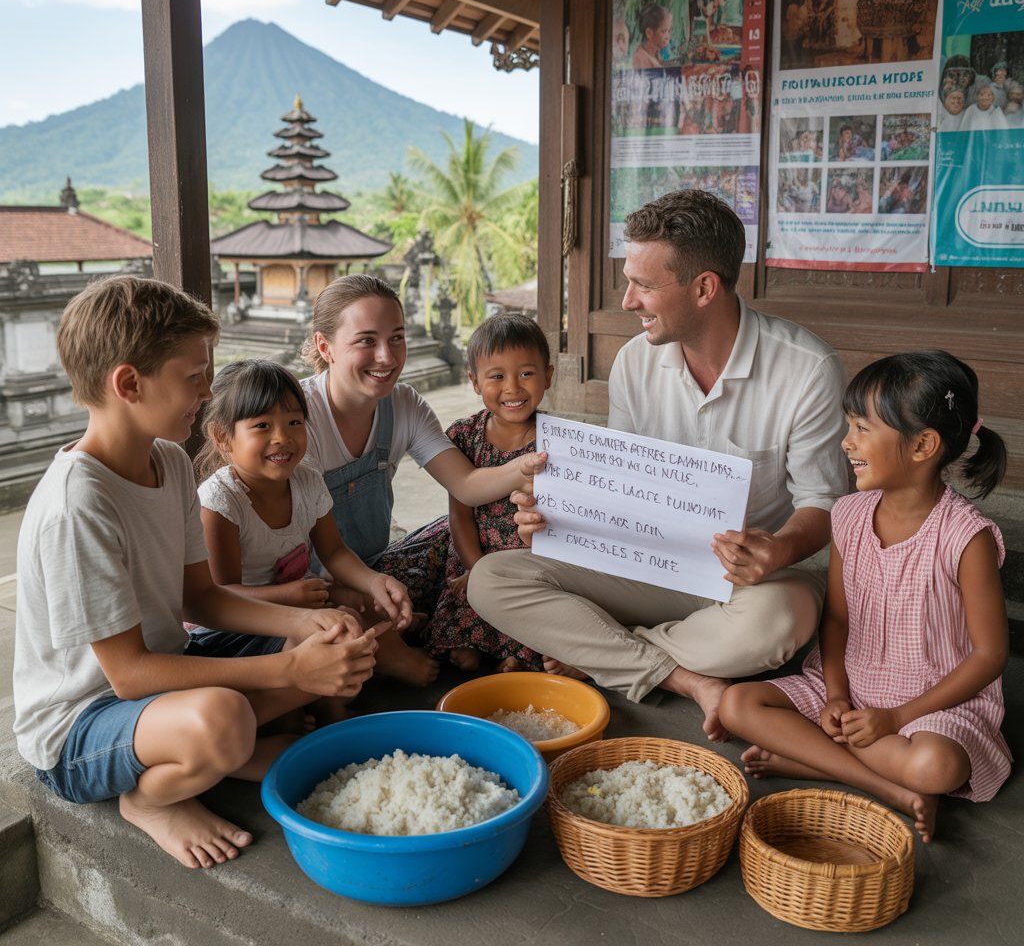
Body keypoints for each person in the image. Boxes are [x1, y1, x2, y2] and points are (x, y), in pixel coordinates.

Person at [12, 276, 382, 870]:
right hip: (81, 727)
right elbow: (129, 675)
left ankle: (235, 752)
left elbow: (202, 598)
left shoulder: (167, 462)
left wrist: (308, 623)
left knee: (328, 633)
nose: (207, 393)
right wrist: (289, 668)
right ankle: (152, 799)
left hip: (160, 685)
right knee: (226, 715)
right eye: (194, 377)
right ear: (129, 384)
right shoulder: (77, 505)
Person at [469, 190, 848, 741]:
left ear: (704, 288)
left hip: (745, 582)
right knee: (492, 578)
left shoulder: (808, 369)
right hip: (648, 565)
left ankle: (604, 651)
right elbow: (621, 490)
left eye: (644, 285)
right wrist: (553, 517)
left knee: (783, 621)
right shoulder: (633, 362)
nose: (627, 301)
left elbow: (825, 503)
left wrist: (778, 550)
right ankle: (688, 679)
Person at [720, 352, 1011, 843]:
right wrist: (836, 695)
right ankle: (885, 786)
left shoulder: (966, 537)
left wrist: (896, 718)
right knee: (737, 703)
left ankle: (818, 760)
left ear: (922, 445)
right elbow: (836, 619)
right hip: (853, 687)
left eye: (861, 429)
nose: (846, 442)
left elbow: (990, 655)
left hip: (933, 704)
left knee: (935, 765)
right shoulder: (849, 515)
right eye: (849, 426)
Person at [299, 274, 545, 681]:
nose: (387, 356)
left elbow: (465, 484)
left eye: (396, 338)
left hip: (375, 562)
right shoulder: (298, 417)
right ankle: (391, 637)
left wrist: (520, 468)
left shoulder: (404, 405)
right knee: (338, 605)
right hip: (312, 578)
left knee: (455, 536)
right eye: (366, 341)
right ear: (325, 347)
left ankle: (405, 620)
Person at [192, 359, 413, 686]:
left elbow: (335, 551)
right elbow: (220, 597)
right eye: (263, 426)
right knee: (337, 629)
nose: (282, 437)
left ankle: (376, 670)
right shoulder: (221, 503)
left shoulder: (306, 480)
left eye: (294, 422)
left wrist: (373, 581)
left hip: (297, 602)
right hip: (236, 631)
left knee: (364, 604)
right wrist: (287, 596)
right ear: (223, 437)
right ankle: (331, 710)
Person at [423, 313, 553, 673]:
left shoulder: (558, 442)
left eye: (526, 373)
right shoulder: (464, 436)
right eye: (497, 376)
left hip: (529, 561)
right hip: (474, 555)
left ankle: (515, 652)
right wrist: (475, 569)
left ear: (549, 376)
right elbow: (460, 514)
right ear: (475, 382)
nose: (512, 388)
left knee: (539, 610)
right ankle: (484, 646)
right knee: (462, 650)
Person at [633, 3, 672, 69]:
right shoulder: (641, 58)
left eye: (669, 31)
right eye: (664, 31)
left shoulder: (656, 52)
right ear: (649, 33)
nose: (668, 36)